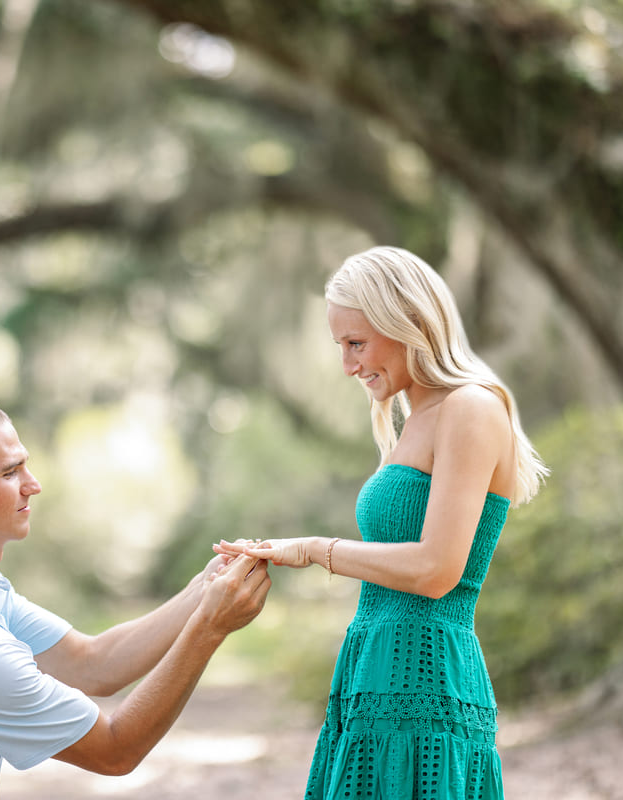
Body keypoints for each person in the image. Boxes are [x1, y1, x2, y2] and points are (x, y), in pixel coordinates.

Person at [217, 246, 547, 799]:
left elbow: (437, 570)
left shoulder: (471, 407)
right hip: (374, 673)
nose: (348, 365)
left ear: (410, 324)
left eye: (357, 343)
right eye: (340, 346)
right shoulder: (414, 417)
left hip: (427, 679)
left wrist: (314, 549)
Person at [0, 397, 270, 800]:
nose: (34, 485)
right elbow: (115, 750)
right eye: (10, 473)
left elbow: (93, 663)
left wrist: (202, 588)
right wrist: (210, 627)